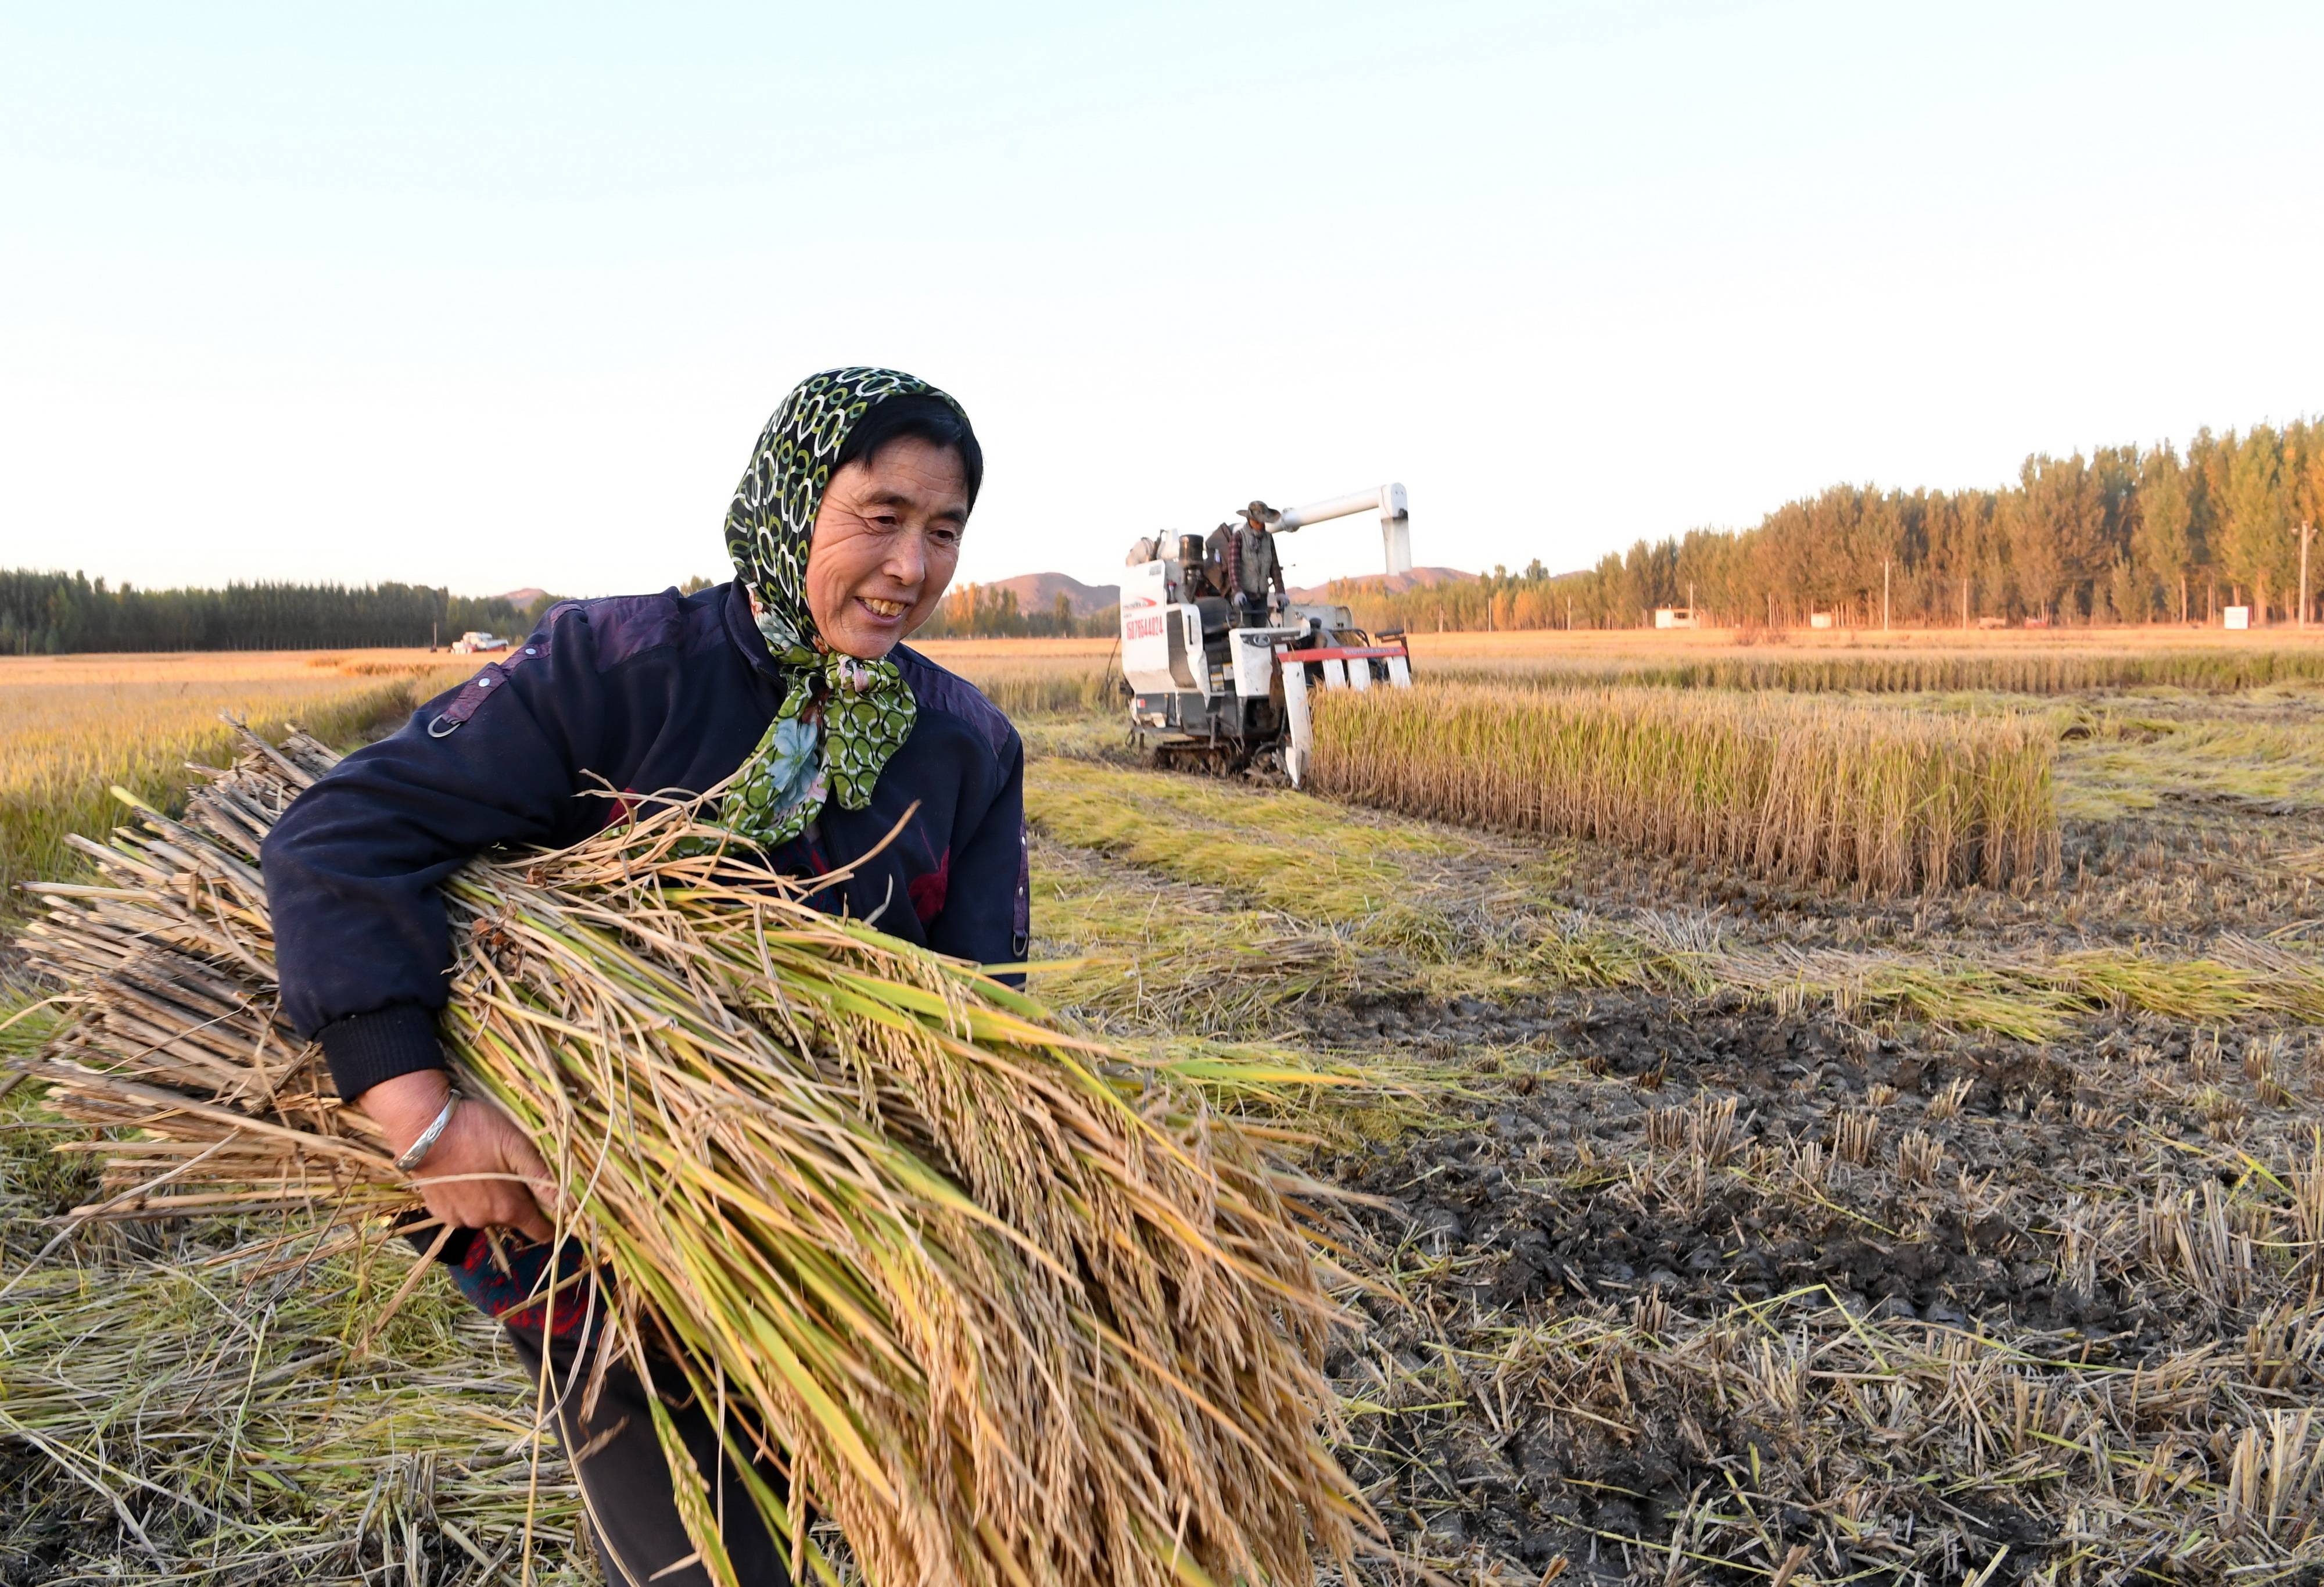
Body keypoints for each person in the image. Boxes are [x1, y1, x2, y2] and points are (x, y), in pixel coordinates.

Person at [260, 367, 1026, 1586]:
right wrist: (419, 1111)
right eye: (879, 518)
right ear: (789, 502)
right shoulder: (621, 668)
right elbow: (340, 837)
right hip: (575, 1201)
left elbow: (982, 1011)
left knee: (804, 1478)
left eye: (944, 532)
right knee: (699, 1546)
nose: (910, 567)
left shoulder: (964, 743)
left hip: (815, 1222)